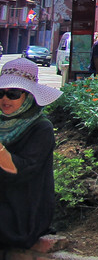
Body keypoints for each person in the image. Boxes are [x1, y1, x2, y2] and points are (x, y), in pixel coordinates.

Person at [0, 57, 63, 248]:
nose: (4, 99)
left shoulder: (41, 128)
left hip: (24, 209)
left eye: (13, 94)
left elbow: (22, 172)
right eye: (1, 93)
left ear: (28, 96)